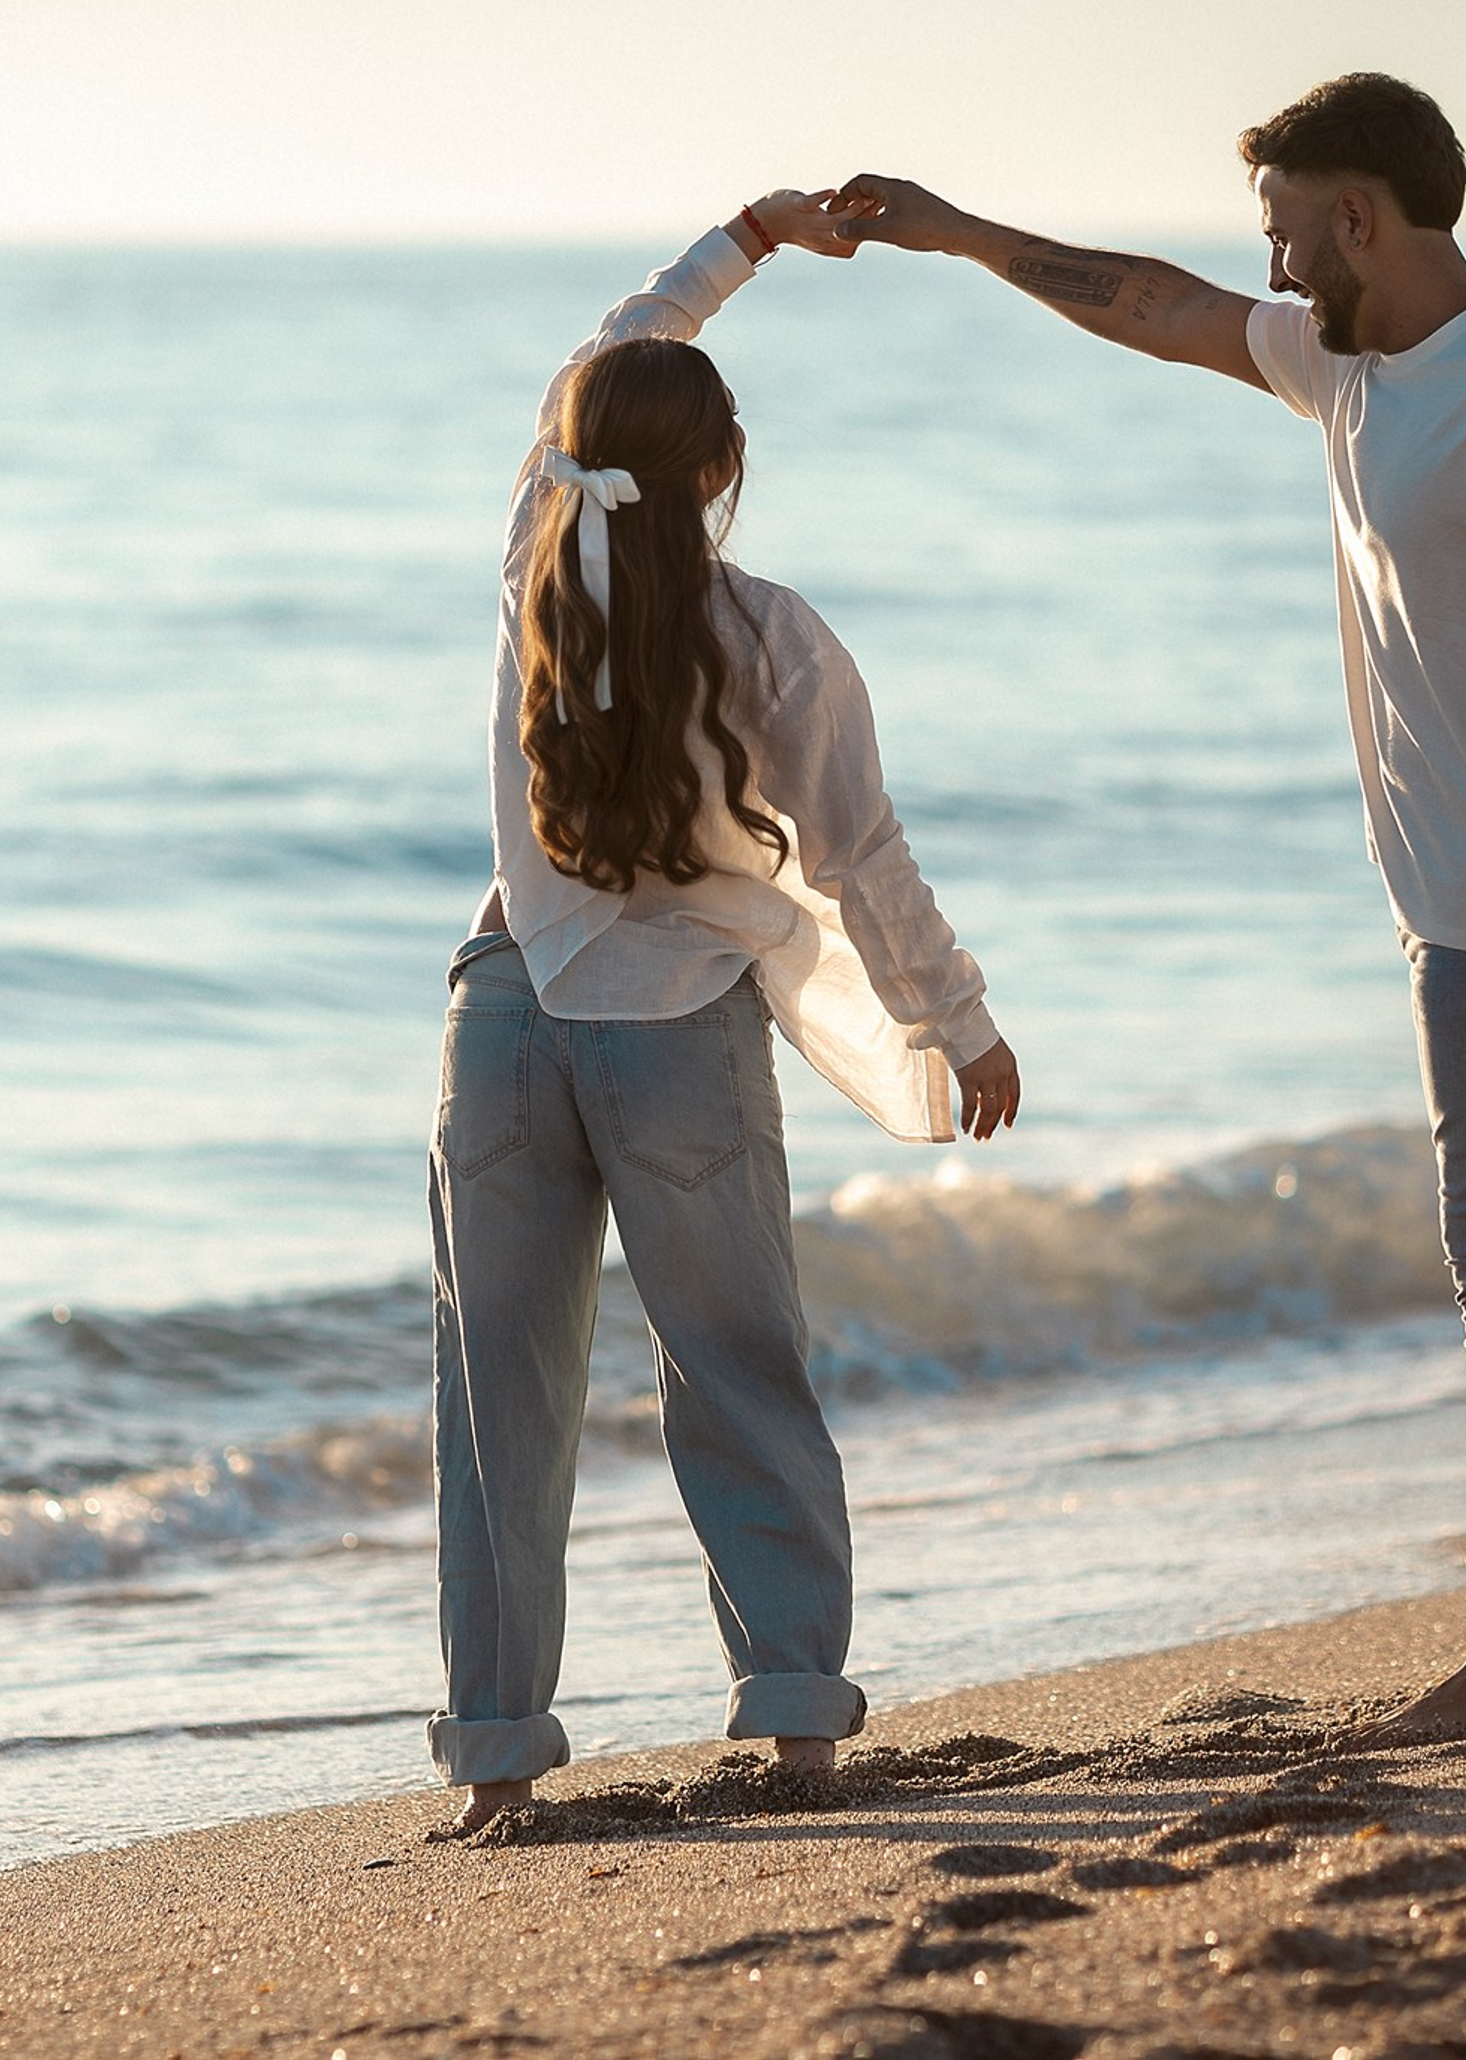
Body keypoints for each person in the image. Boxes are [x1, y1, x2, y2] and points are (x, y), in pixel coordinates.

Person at [829, 73, 1466, 1737]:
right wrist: (956, 230)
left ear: (1363, 217)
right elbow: (1158, 307)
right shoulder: (1350, 362)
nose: (1264, 260)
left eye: (1285, 224)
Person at [429, 187, 1021, 1832]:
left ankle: (494, 1763)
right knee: (739, 1371)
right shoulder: (774, 637)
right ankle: (793, 1722)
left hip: (503, 1017)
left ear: (574, 453)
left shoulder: (530, 555)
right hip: (675, 1029)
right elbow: (865, 854)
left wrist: (740, 242)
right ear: (721, 476)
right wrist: (957, 1023)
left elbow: (612, 353)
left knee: (499, 1403)